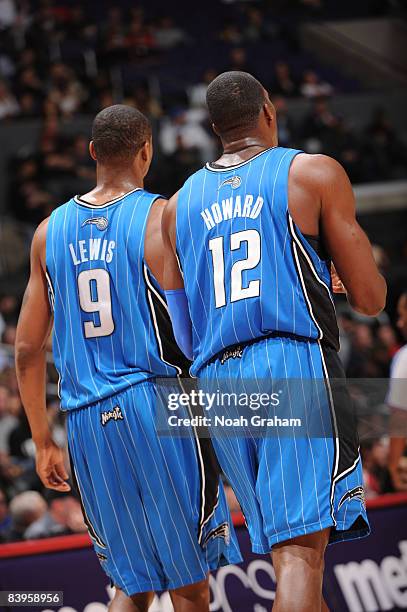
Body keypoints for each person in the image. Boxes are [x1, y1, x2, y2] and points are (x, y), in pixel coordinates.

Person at [162, 72, 387, 611]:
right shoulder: (310, 172)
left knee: (292, 555)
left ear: (215, 127)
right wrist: (327, 268)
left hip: (217, 381)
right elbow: (372, 298)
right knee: (300, 559)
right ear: (269, 110)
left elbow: (183, 333)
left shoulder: (176, 206)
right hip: (290, 361)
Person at [15, 105, 241, 612]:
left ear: (92, 151)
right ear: (146, 151)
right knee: (189, 582)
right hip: (154, 404)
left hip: (86, 421)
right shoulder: (160, 216)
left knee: (132, 584)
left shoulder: (48, 232)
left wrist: (42, 441)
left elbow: (28, 350)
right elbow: (197, 324)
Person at [387, 292, 407, 491]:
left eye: (402, 316)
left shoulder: (405, 358)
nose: (400, 324)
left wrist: (392, 466)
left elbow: (400, 415)